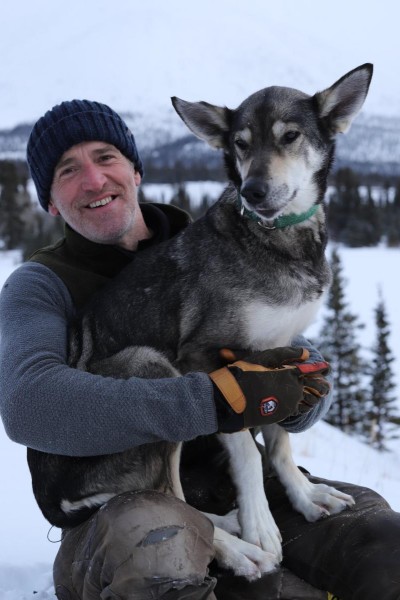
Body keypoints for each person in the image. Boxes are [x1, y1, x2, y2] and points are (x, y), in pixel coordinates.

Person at [0, 100, 398, 600]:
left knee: (382, 547)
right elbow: (28, 404)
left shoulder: (219, 240)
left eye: (106, 158)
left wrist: (296, 387)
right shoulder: (40, 284)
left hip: (229, 482)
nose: (95, 180)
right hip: (117, 509)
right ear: (50, 201)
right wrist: (213, 400)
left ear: (135, 171)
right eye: (68, 170)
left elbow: (273, 365)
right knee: (160, 558)